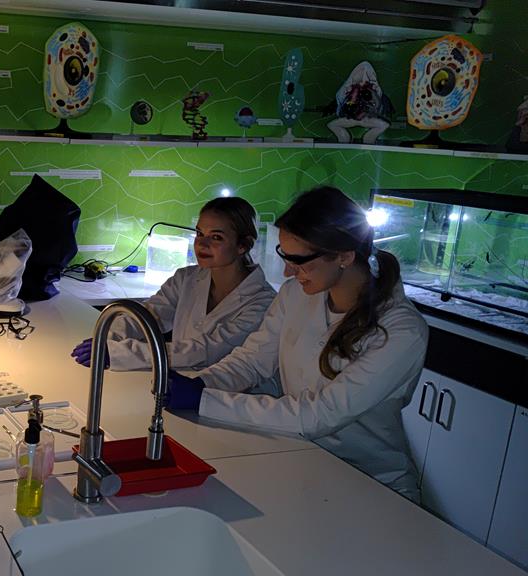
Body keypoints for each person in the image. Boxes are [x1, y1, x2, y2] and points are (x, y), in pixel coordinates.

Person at [167, 186, 428, 502]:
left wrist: (204, 400)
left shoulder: (401, 330)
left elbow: (318, 415)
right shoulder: (296, 294)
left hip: (372, 484)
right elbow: (252, 360)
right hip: (301, 459)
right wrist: (201, 383)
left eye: (299, 260)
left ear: (344, 256)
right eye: (284, 255)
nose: (287, 271)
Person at [71, 197, 276, 373]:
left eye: (216, 237)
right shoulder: (186, 278)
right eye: (199, 233)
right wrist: (105, 339)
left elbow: (207, 350)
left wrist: (119, 354)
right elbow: (148, 317)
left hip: (226, 395)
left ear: (243, 245)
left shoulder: (262, 302)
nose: (202, 244)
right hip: (177, 382)